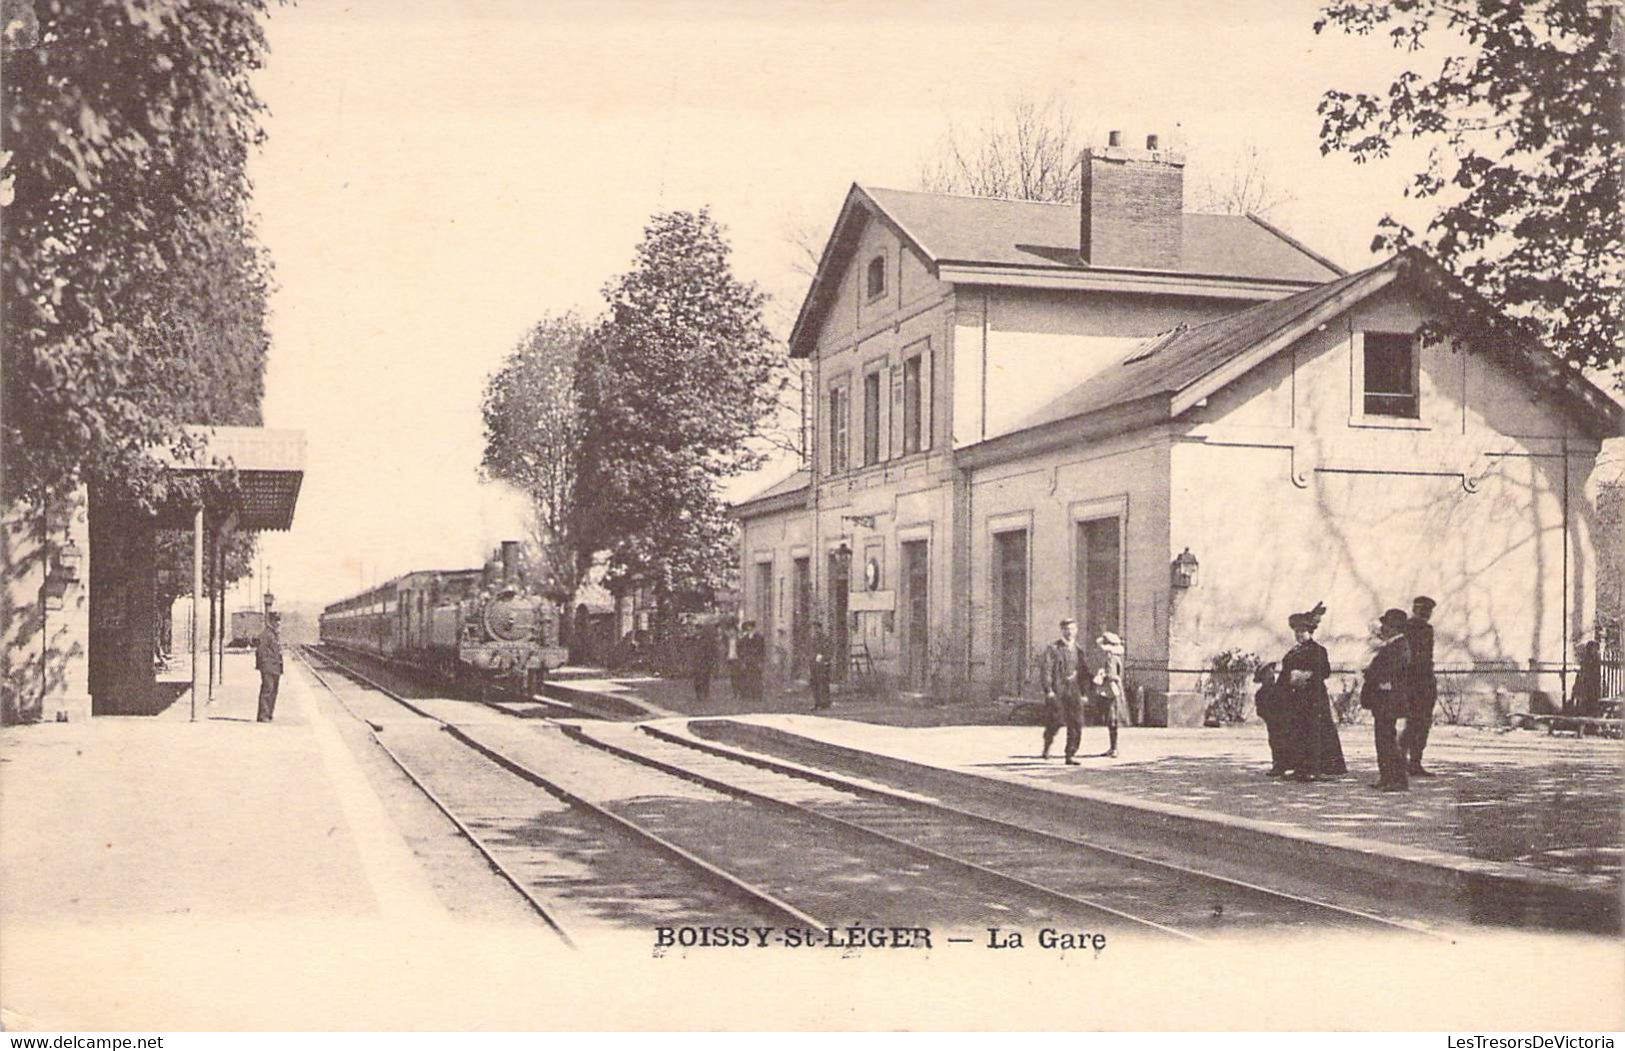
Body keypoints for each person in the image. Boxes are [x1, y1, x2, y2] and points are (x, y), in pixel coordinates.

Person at [1278, 602, 1346, 781]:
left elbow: (1324, 671)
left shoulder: (1317, 650)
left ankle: (1315, 768)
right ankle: (1299, 766)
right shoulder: (1292, 652)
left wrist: (1306, 676)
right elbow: (1285, 673)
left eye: (1303, 631)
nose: (1299, 635)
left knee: (1314, 731)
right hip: (1295, 698)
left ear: (1310, 632)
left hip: (1312, 698)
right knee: (1297, 731)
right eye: (1297, 632)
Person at [1362, 607, 1412, 791]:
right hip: (1383, 699)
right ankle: (1386, 777)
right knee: (1383, 739)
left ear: (1394, 627)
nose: (1382, 628)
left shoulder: (1398, 646)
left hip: (1389, 699)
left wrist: (1371, 673)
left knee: (1387, 740)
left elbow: (1390, 671)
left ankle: (1397, 780)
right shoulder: (1392, 646)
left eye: (1386, 625)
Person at [1039, 618, 1090, 765]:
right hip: (1058, 691)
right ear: (1061, 630)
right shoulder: (1053, 649)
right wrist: (1048, 690)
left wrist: (1085, 693)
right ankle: (1047, 744)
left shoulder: (1079, 650)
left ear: (1076, 630)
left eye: (1072, 629)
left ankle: (1070, 754)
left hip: (1074, 691)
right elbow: (1046, 670)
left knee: (1077, 722)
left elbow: (1084, 673)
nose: (1070, 632)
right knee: (1055, 721)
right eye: (1066, 629)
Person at [1401, 595, 1439, 777]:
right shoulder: (1407, 628)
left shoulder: (1427, 629)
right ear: (1415, 609)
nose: (1425, 614)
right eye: (1422, 609)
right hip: (1412, 682)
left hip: (1424, 682)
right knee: (1414, 723)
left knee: (1420, 724)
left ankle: (1413, 762)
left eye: (1428, 611)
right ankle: (1403, 762)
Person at [1092, 631, 1129, 758]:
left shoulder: (1110, 657)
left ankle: (1114, 748)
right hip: (1111, 688)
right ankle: (1113, 747)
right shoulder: (1116, 657)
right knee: (1110, 718)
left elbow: (1113, 675)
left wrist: (1102, 676)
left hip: (1110, 689)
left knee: (1112, 717)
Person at [1252, 661, 1290, 776]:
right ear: (1262, 677)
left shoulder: (1280, 689)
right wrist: (1270, 716)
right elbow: (1260, 710)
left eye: (1272, 671)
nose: (1271, 674)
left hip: (1284, 720)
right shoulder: (1260, 694)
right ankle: (1278, 765)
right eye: (1268, 672)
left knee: (1286, 741)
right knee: (1275, 742)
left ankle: (1287, 764)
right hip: (1273, 722)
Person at [255, 612, 283, 723]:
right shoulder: (266, 634)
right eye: (276, 621)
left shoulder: (274, 634)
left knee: (273, 691)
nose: (278, 623)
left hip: (275, 668)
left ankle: (269, 714)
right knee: (267, 690)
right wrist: (264, 665)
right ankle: (263, 715)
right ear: (270, 621)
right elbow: (260, 651)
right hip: (268, 667)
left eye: (279, 621)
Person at [1572, 639, 1603, 720]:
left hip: (1593, 686)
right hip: (1586, 686)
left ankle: (1591, 723)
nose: (1594, 651)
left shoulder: (1595, 659)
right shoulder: (1587, 659)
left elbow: (1596, 674)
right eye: (1592, 649)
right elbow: (1583, 673)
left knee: (1592, 704)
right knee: (1585, 705)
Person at [738, 621, 766, 704]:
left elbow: (762, 650)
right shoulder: (745, 638)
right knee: (748, 677)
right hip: (747, 660)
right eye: (748, 628)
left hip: (756, 660)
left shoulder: (759, 637)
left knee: (757, 678)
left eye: (750, 627)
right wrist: (743, 659)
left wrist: (761, 661)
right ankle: (749, 695)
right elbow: (740, 649)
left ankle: (757, 695)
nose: (749, 629)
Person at [690, 624, 718, 705]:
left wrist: (709, 662)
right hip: (696, 663)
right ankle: (698, 695)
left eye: (698, 630)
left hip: (704, 662)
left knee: (705, 678)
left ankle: (706, 694)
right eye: (696, 630)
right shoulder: (693, 640)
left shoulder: (705, 641)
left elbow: (709, 652)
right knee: (697, 679)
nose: (697, 631)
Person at [809, 620, 833, 711]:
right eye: (813, 629)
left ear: (820, 629)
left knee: (823, 683)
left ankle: (825, 702)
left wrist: (825, 659)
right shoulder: (812, 639)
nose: (815, 630)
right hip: (814, 664)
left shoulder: (824, 639)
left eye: (816, 628)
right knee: (814, 683)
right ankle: (817, 702)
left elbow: (828, 650)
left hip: (823, 664)